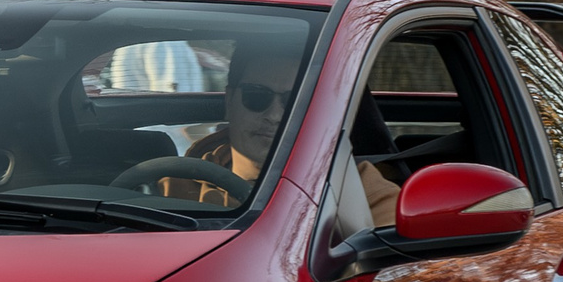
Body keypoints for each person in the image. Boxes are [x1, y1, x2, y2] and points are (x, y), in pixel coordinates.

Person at [159, 40, 399, 224]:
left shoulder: (358, 191)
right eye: (256, 96)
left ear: (317, 110)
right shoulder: (174, 185)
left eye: (293, 101)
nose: (274, 115)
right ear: (230, 101)